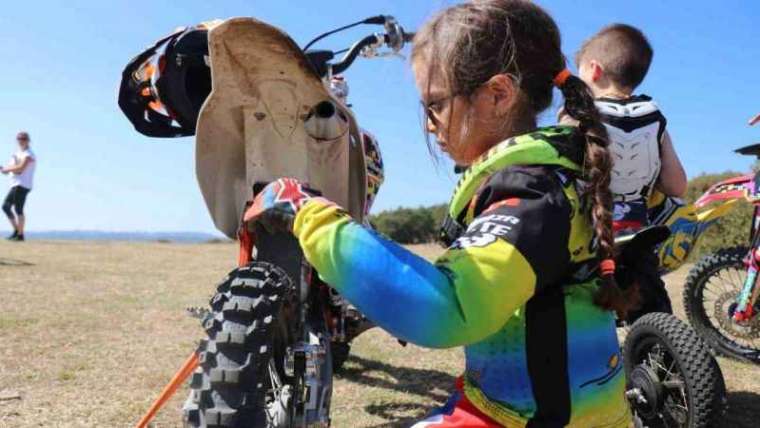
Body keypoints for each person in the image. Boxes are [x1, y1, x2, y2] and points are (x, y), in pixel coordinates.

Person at [247, 1, 631, 426]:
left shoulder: (532, 194)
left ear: (498, 95)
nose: (430, 124)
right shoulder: (560, 174)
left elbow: (447, 311)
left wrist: (310, 214)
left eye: (435, 104)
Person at [566, 24, 687, 320]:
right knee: (653, 313)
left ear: (593, 70)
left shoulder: (577, 114)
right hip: (639, 235)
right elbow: (676, 185)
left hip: (587, 238)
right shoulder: (654, 116)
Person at [1, 131, 36, 242]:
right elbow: (10, 169)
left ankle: (20, 235)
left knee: (18, 209)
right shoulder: (17, 154)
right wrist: (4, 169)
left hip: (22, 184)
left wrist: (7, 169)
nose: (21, 141)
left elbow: (20, 168)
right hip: (15, 184)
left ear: (28, 140)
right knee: (6, 206)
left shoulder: (29, 154)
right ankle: (17, 231)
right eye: (19, 139)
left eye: (23, 139)